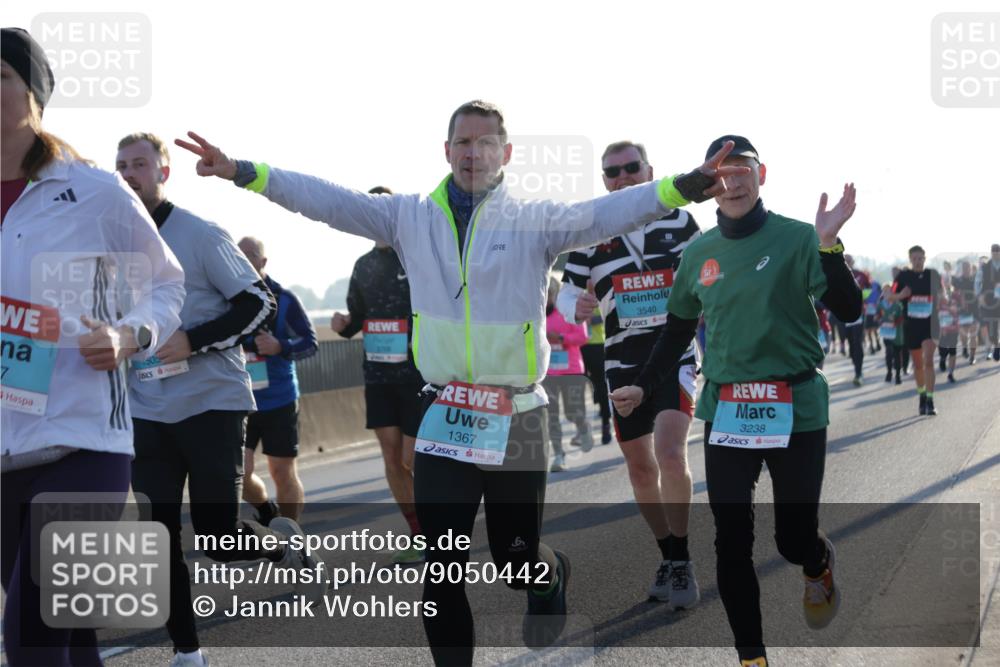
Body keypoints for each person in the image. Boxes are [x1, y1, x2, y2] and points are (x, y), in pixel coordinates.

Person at [173, 100, 747, 664]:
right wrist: (243, 171)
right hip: (445, 411)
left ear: (507, 153)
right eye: (464, 143)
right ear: (446, 151)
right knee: (442, 568)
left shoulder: (533, 219)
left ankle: (548, 575)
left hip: (517, 413)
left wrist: (685, 186)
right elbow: (327, 200)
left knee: (515, 561)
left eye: (486, 142)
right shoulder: (409, 216)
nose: (474, 153)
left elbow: (608, 212)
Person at [611, 135, 860, 667]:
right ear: (709, 186)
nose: (732, 182)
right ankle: (752, 658)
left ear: (761, 174)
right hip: (728, 410)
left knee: (793, 540)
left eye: (742, 169)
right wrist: (645, 386)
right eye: (721, 174)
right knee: (730, 541)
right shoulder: (698, 253)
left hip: (796, 406)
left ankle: (816, 562)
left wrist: (829, 245)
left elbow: (850, 309)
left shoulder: (799, 237)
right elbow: (676, 332)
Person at [1, 28, 185, 666]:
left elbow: (166, 285)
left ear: (35, 94)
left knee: (30, 635)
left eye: (1, 76)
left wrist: (128, 335)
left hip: (84, 443)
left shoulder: (95, 191)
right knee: (69, 634)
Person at [117, 132, 324, 667]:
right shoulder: (109, 247)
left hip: (211, 403)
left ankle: (280, 545)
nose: (129, 174)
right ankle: (188, 653)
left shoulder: (200, 234)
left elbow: (259, 303)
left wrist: (194, 339)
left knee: (217, 539)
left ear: (163, 172)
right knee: (158, 537)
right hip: (146, 408)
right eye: (121, 166)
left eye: (139, 164)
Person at [557, 139, 703, 609]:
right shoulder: (591, 228)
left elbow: (709, 273)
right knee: (641, 468)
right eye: (612, 172)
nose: (622, 178)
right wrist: (575, 305)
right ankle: (668, 554)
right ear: (604, 181)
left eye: (630, 168)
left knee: (671, 454)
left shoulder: (680, 221)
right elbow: (565, 292)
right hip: (621, 361)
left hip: (675, 353)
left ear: (649, 171)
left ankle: (682, 559)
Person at [331, 187, 426, 565]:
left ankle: (444, 522)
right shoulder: (363, 265)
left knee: (413, 458)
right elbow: (356, 317)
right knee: (392, 457)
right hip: (378, 375)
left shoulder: (416, 257)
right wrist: (342, 325)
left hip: (419, 374)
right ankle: (419, 533)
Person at [237, 236, 318, 523]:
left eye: (250, 254)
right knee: (241, 472)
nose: (243, 259)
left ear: (263, 261)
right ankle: (266, 510)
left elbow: (310, 343)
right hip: (241, 400)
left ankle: (292, 534)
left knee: (282, 473)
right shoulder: (228, 297)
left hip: (280, 400)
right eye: (238, 254)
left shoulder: (284, 299)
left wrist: (280, 346)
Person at [886, 246, 942, 416]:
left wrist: (942, 299)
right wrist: (900, 295)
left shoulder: (933, 274)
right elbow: (889, 297)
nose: (918, 261)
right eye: (915, 259)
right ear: (910, 259)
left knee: (929, 361)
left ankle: (930, 400)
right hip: (911, 325)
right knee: (918, 365)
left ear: (925, 258)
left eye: (920, 258)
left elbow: (942, 292)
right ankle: (922, 396)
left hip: (930, 324)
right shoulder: (903, 276)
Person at [543, 276, 592, 472]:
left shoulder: (568, 311)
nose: (545, 298)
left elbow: (583, 336)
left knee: (572, 412)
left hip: (571, 370)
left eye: (548, 294)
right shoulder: (537, 315)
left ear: (554, 294)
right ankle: (558, 456)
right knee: (551, 416)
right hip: (548, 372)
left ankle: (583, 427)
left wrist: (560, 337)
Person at [580, 310, 613, 445]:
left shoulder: (597, 298)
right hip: (578, 347)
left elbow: (607, 315)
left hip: (597, 345)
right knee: (578, 389)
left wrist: (591, 319)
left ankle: (606, 423)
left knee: (601, 386)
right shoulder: (571, 298)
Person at [844, 255, 868, 385]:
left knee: (857, 342)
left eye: (849, 261)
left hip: (858, 312)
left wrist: (860, 297)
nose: (847, 262)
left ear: (852, 262)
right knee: (851, 344)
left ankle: (858, 372)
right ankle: (856, 365)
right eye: (844, 260)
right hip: (843, 313)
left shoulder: (861, 275)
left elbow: (870, 289)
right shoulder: (836, 274)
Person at [974, 244, 1000, 361]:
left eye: (998, 252)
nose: (996, 254)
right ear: (991, 253)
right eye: (994, 252)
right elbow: (977, 282)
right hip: (988, 301)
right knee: (991, 328)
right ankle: (997, 345)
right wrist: (979, 295)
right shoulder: (984, 267)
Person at [953, 260, 979, 364]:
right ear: (962, 269)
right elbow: (953, 294)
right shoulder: (957, 281)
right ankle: (964, 347)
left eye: (968, 267)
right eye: (964, 268)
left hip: (974, 309)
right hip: (962, 310)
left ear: (971, 268)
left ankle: (972, 356)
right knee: (963, 333)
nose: (966, 270)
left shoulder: (975, 280)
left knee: (973, 334)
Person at [877, 286, 905, 384]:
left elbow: (902, 317)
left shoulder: (898, 305)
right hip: (886, 332)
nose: (886, 294)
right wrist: (878, 319)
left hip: (897, 333)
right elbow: (878, 315)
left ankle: (898, 375)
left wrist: (895, 322)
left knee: (897, 354)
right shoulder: (881, 304)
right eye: (884, 292)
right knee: (888, 352)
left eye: (888, 292)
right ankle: (889, 372)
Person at [937, 286, 960, 383]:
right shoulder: (937, 303)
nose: (943, 294)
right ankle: (942, 358)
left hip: (953, 329)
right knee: (943, 350)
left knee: (952, 351)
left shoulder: (954, 301)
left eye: (945, 292)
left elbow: (957, 313)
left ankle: (951, 373)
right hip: (941, 331)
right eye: (940, 292)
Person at [863, 271, 882, 355]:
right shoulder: (862, 286)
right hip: (867, 311)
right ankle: (871, 346)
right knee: (868, 330)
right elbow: (861, 297)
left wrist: (877, 303)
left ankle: (878, 343)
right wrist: (864, 303)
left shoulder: (876, 284)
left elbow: (881, 294)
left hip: (875, 309)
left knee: (875, 329)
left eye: (868, 275)